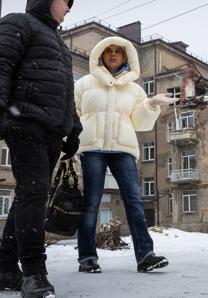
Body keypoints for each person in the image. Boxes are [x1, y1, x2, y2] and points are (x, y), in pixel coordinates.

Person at [0, 0, 82, 298]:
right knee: (34, 193)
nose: (68, 9)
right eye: (65, 0)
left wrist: (74, 129)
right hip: (24, 121)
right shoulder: (17, 23)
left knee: (29, 194)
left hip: (52, 129)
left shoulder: (60, 46)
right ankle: (34, 273)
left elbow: (65, 93)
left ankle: (6, 269)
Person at [74, 36, 177, 274]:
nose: (113, 54)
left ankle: (145, 256)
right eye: (108, 50)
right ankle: (87, 257)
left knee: (134, 202)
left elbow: (139, 122)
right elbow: (74, 116)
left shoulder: (134, 89)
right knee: (90, 204)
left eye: (118, 51)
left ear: (126, 56)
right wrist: (71, 143)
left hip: (123, 151)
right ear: (100, 54)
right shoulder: (84, 84)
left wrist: (151, 103)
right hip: (92, 149)